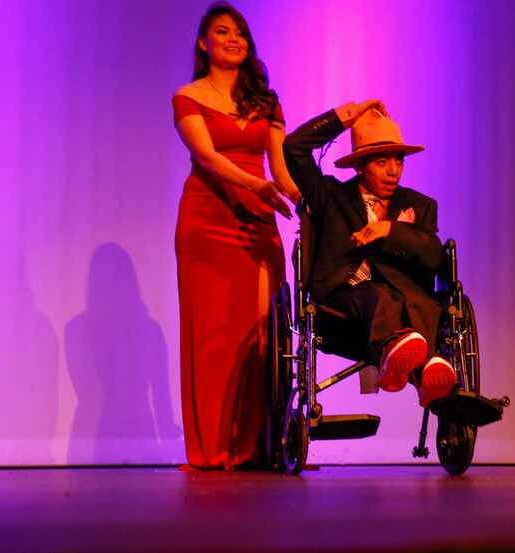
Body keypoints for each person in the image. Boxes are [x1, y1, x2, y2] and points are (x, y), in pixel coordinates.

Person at [171, 2, 299, 470]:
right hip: (208, 219)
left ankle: (255, 446)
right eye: (222, 32)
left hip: (257, 219)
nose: (233, 38)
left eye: (240, 33)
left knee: (260, 331)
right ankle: (212, 449)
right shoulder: (188, 97)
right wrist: (257, 185)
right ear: (204, 44)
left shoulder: (266, 102)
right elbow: (206, 157)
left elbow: (280, 172)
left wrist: (306, 200)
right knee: (211, 335)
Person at [283, 102, 457, 406]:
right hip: (344, 300)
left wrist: (391, 230)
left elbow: (434, 259)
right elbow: (294, 147)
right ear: (360, 165)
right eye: (382, 162)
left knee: (421, 302)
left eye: (399, 161)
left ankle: (419, 370)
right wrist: (347, 115)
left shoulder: (420, 205)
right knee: (379, 297)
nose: (393, 171)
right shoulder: (330, 196)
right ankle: (407, 359)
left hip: (407, 300)